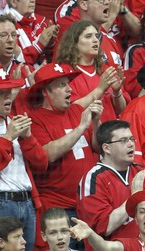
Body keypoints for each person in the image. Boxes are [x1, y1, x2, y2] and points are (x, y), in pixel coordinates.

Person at [0, 66, 48, 251]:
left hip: (27, 201)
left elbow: (42, 163)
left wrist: (28, 138)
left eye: (9, 92)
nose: (8, 98)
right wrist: (7, 138)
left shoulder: (15, 121)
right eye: (1, 93)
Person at [29, 62, 104, 219]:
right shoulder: (35, 119)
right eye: (61, 85)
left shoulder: (76, 111)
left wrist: (96, 123)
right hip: (58, 208)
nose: (69, 89)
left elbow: (97, 148)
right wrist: (81, 127)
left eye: (68, 84)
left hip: (87, 203)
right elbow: (48, 154)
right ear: (45, 92)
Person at [77, 120, 145, 243]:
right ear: (107, 148)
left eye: (132, 139)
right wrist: (135, 198)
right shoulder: (93, 179)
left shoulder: (141, 172)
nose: (131, 144)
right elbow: (104, 227)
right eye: (123, 141)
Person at [55, 21, 127, 122]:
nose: (95, 40)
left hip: (109, 133)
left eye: (96, 36)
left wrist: (116, 92)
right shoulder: (65, 72)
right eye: (88, 36)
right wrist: (100, 89)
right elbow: (71, 110)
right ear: (74, 43)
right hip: (83, 133)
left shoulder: (106, 70)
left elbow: (122, 110)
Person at [70, 189, 145, 250]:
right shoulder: (131, 246)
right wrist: (90, 234)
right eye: (142, 212)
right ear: (136, 220)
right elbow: (105, 247)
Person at [5, 0, 57, 65]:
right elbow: (15, 61)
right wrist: (39, 45)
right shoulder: (5, 26)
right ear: (13, 2)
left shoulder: (43, 21)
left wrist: (51, 44)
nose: (33, 0)